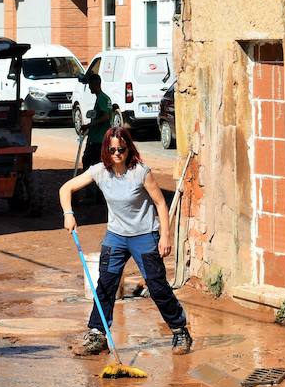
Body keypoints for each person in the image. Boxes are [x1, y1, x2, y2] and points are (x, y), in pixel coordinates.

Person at [58, 125, 193, 357]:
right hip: (116, 236)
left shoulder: (141, 172)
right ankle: (97, 334)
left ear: (128, 148)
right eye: (112, 150)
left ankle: (180, 330)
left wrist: (165, 236)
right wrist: (68, 214)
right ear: (106, 151)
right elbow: (66, 188)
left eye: (121, 148)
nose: (117, 153)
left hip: (144, 235)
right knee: (106, 284)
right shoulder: (100, 171)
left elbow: (161, 203)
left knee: (157, 286)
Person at [79, 74, 115, 174]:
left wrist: (90, 125)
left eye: (90, 84)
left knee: (89, 163)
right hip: (99, 138)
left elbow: (106, 116)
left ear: (94, 84)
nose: (89, 87)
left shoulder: (101, 99)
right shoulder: (104, 98)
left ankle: (92, 187)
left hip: (98, 140)